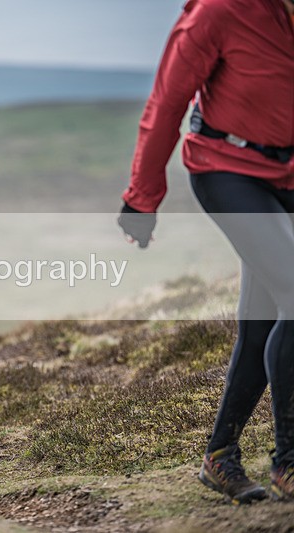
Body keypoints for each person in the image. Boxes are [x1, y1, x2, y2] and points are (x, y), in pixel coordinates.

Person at [118, 0, 294, 504]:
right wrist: (142, 199)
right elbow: (166, 102)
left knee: (265, 316)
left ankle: (220, 458)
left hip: (288, 174)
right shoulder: (219, 11)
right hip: (227, 168)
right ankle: (289, 462)